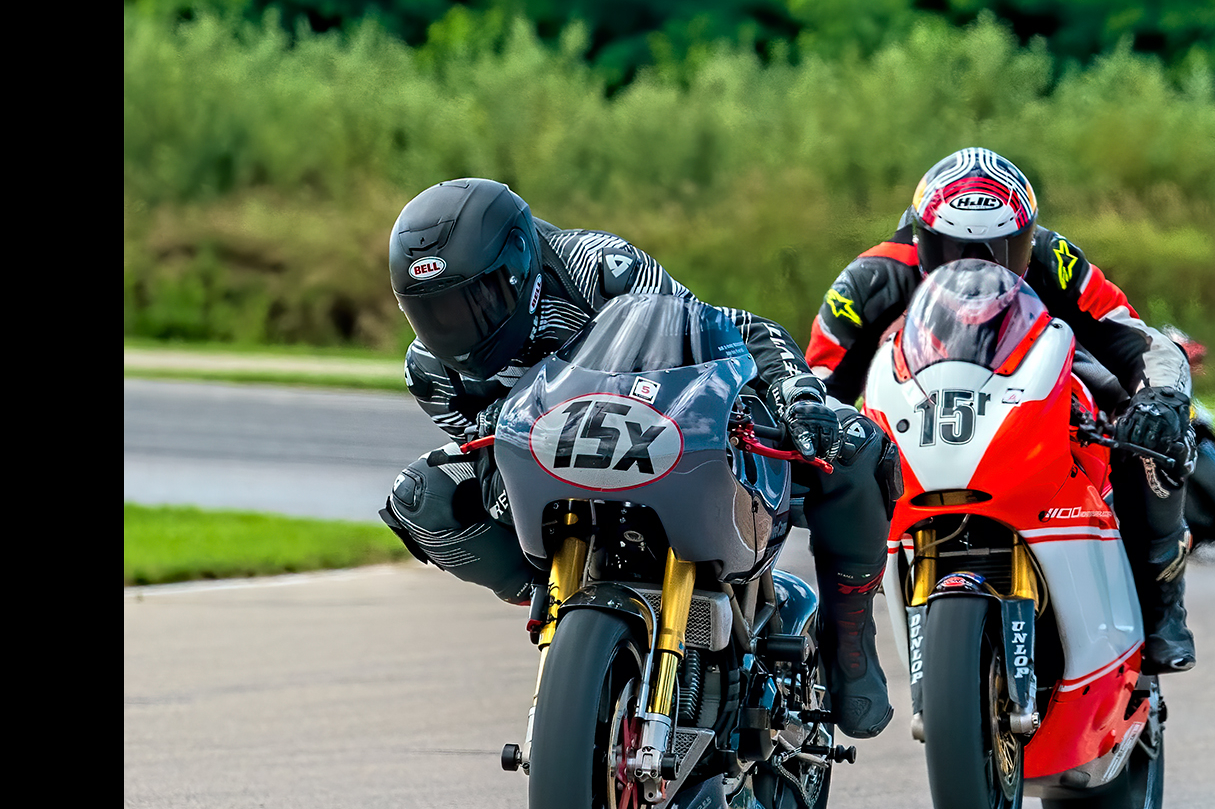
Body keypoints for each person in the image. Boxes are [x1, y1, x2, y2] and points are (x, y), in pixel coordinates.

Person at [379, 178, 900, 738]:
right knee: (421, 498)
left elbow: (723, 332)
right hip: (557, 468)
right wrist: (495, 479)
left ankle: (850, 643)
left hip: (663, 428)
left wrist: (797, 398)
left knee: (855, 446)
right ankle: (556, 605)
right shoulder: (432, 372)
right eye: (432, 313)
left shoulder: (597, 267)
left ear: (518, 270)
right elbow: (483, 452)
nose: (455, 331)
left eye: (473, 304)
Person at [804, 147, 1198, 710]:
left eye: (999, 249)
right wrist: (816, 433)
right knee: (833, 458)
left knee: (1153, 426)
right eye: (952, 248)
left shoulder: (1054, 258)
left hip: (1036, 374)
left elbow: (1133, 336)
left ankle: (1161, 597)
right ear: (921, 238)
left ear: (1026, 239)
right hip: (917, 398)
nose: (976, 263)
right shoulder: (872, 276)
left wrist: (1159, 398)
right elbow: (818, 381)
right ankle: (847, 644)